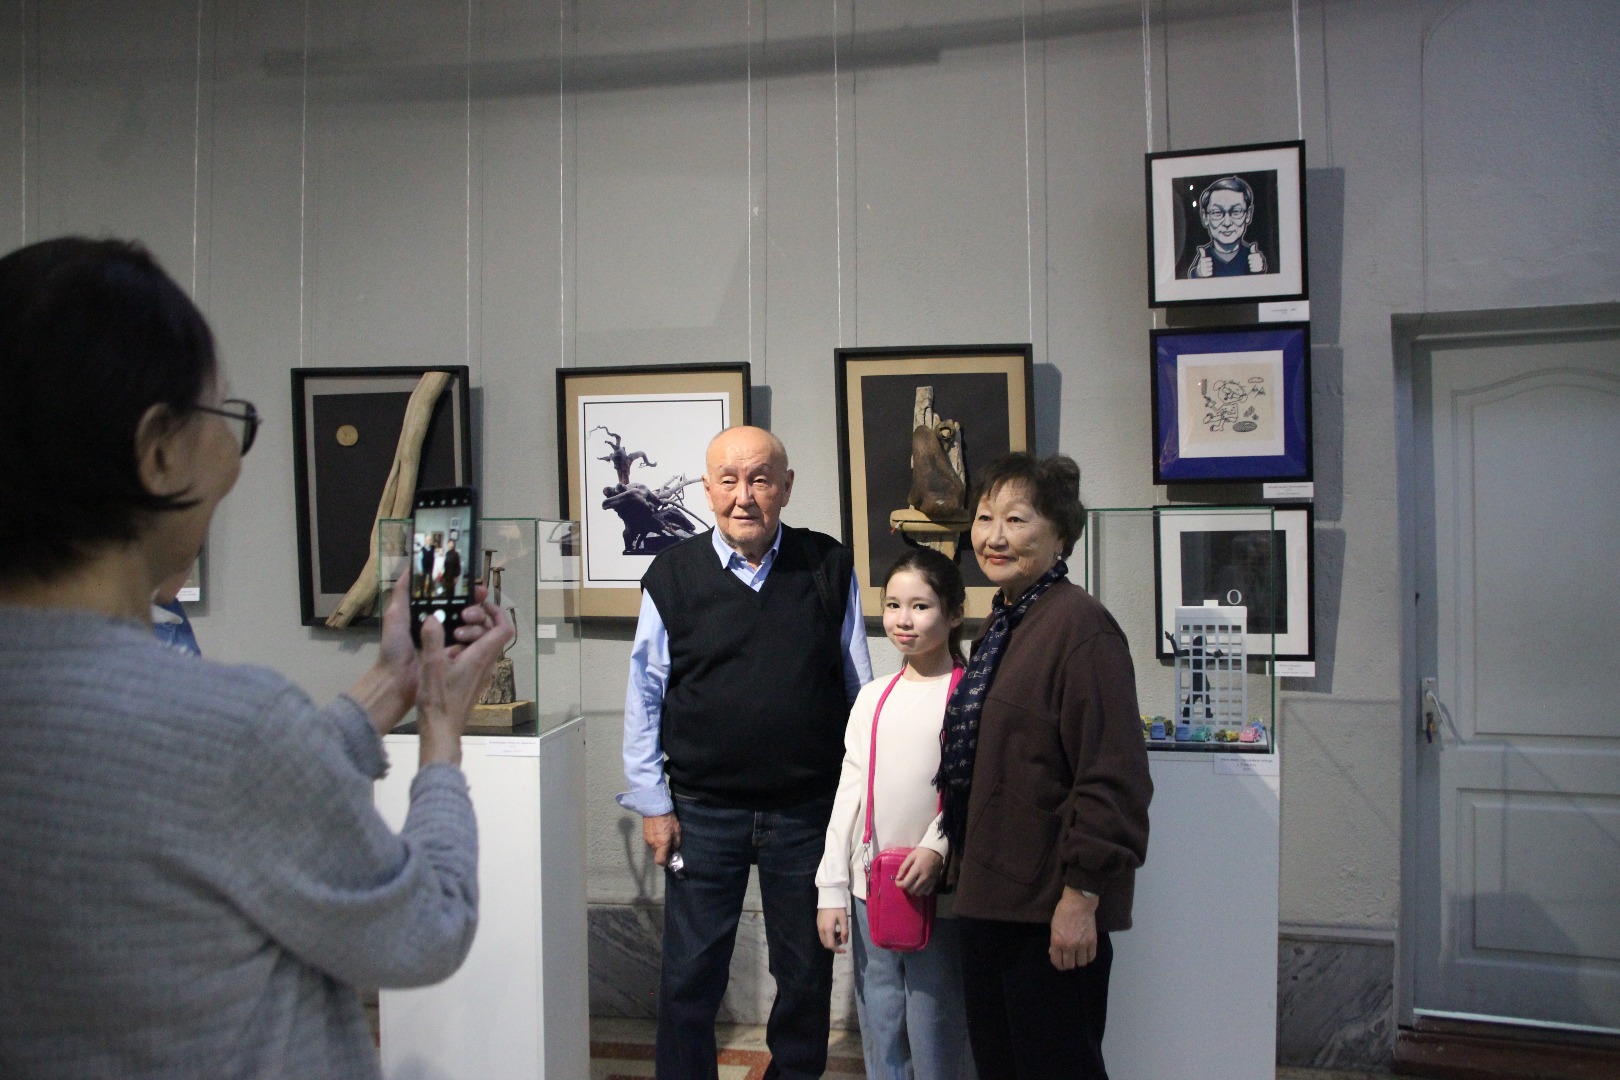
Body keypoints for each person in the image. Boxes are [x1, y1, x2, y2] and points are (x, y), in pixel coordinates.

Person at [0, 236, 515, 1079]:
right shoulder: (229, 731)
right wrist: (440, 738)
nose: (234, 462)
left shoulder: (218, 741)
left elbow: (214, 792)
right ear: (158, 451)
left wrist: (388, 683)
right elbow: (427, 926)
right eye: (224, 420)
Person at [619, 424, 873, 1080]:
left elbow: (860, 692)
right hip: (701, 814)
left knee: (806, 977)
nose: (744, 496)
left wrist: (860, 804)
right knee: (689, 979)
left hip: (806, 814)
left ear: (785, 487)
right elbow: (644, 695)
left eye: (759, 479)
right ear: (707, 490)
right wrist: (653, 803)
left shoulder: (826, 566)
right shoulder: (672, 576)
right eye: (728, 480)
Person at [936, 452, 1152, 1080]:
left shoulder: (1081, 626)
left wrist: (1081, 897)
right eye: (984, 518)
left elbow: (1113, 778)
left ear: (1060, 534)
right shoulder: (1003, 622)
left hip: (1047, 910)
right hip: (990, 901)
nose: (994, 536)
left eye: (1017, 519)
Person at [816, 547, 974, 1080]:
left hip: (941, 892)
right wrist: (832, 888)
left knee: (936, 1019)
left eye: (921, 606)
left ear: (955, 613)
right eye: (893, 605)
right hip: (873, 892)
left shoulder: (970, 696)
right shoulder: (872, 697)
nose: (904, 619)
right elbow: (849, 795)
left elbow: (972, 785)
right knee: (881, 1019)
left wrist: (938, 845)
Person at [1185, 175, 1267, 278]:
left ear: (1248, 215)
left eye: (1236, 211)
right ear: (1205, 217)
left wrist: (1259, 273)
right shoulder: (1203, 259)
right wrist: (1198, 275)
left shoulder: (1252, 257)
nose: (1227, 223)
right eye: (1217, 212)